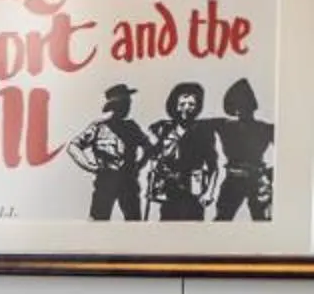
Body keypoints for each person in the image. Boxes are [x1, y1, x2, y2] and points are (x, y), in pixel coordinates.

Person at [66, 82, 147, 220]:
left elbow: (148, 148)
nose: (128, 106)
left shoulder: (132, 127)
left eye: (129, 103)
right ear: (116, 105)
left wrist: (138, 166)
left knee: (134, 224)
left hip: (128, 182)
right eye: (125, 103)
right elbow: (73, 147)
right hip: (106, 180)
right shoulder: (98, 126)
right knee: (97, 223)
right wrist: (90, 166)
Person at [144, 80, 221, 221]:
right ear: (175, 106)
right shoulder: (163, 129)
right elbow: (152, 152)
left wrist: (209, 193)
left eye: (191, 104)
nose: (186, 108)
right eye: (182, 104)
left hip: (193, 192)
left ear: (197, 107)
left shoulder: (204, 132)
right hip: (168, 192)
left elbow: (213, 167)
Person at [213, 74, 275, 221]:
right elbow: (196, 125)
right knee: (222, 219)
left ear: (252, 105)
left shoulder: (266, 128)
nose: (241, 110)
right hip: (233, 179)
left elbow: (289, 152)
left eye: (244, 105)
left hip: (257, 179)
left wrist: (269, 175)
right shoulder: (225, 126)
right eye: (238, 106)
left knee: (261, 221)